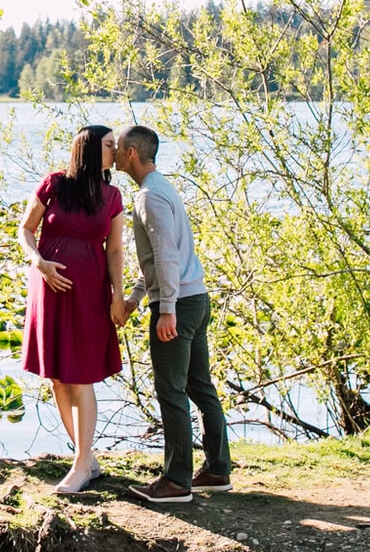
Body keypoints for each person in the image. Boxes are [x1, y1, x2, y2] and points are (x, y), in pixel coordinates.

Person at [113, 123, 231, 503]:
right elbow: (160, 258)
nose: (113, 154)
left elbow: (166, 256)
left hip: (178, 304)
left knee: (171, 391)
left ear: (131, 153)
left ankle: (176, 481)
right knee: (200, 386)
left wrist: (166, 310)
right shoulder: (162, 188)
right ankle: (216, 470)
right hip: (194, 298)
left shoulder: (149, 196)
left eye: (117, 148)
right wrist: (134, 296)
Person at [19, 123, 126, 494]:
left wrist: (117, 295)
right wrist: (39, 263)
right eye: (111, 145)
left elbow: (114, 250)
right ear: (90, 149)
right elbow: (26, 230)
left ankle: (81, 464)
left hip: (89, 292)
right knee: (58, 376)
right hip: (48, 288)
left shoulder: (112, 196)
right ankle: (87, 459)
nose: (117, 150)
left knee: (81, 375)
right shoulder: (54, 184)